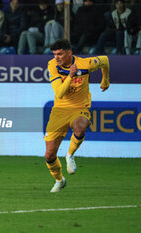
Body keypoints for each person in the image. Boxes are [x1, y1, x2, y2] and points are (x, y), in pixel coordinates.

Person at [45, 39, 110, 192]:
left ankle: (70, 155)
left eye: (60, 54)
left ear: (69, 52)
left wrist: (105, 79)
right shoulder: (52, 65)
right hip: (59, 110)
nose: (57, 57)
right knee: (49, 155)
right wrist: (70, 75)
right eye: (54, 54)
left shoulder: (85, 64)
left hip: (80, 107)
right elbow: (60, 93)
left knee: (80, 128)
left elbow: (105, 60)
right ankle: (60, 180)